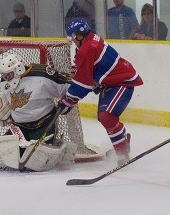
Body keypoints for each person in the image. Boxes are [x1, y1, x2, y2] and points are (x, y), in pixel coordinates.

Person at [0, 53, 76, 171]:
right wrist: (7, 110)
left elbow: (70, 86)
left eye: (9, 74)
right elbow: (9, 98)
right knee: (5, 153)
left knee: (39, 158)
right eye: (5, 75)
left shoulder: (42, 74)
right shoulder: (6, 80)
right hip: (19, 126)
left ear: (18, 68)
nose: (7, 78)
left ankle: (54, 145)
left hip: (43, 124)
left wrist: (69, 99)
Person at [57, 18, 142, 163]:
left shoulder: (86, 48)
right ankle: (122, 145)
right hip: (111, 82)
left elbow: (83, 84)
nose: (72, 40)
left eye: (73, 37)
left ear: (79, 35)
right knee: (104, 116)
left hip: (121, 82)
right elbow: (90, 73)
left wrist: (68, 100)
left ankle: (122, 153)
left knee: (106, 116)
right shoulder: (88, 40)